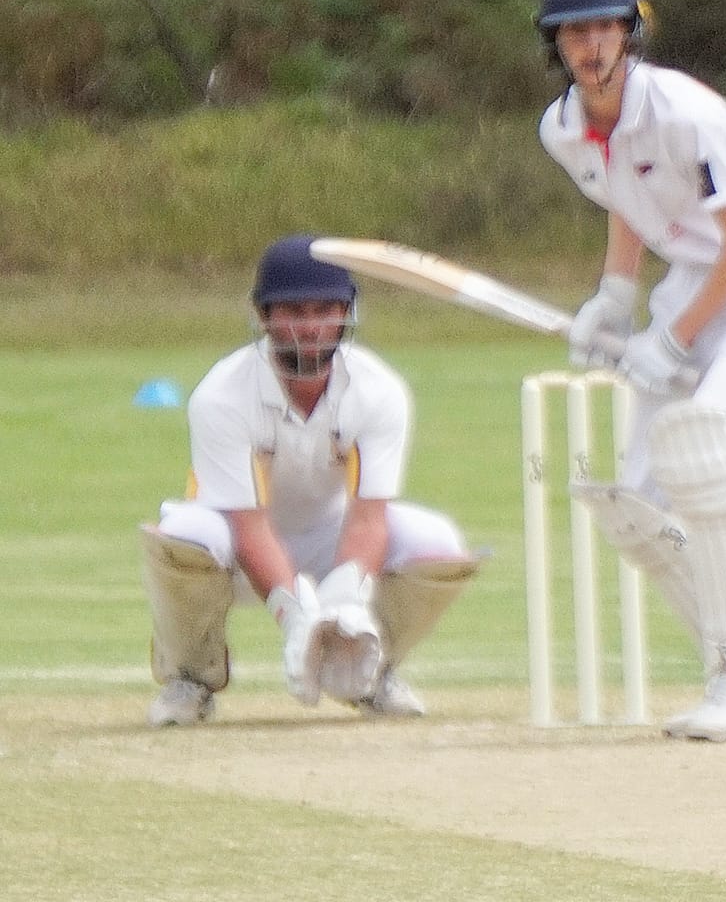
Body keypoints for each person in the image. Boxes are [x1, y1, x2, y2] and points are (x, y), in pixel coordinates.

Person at [535, 0, 726, 743]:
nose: (591, 46)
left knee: (706, 449)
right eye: (574, 33)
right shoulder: (562, 130)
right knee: (636, 509)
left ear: (629, 32)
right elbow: (626, 195)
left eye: (604, 29)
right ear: (554, 44)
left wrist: (671, 339)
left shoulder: (686, 114)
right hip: (691, 284)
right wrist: (616, 296)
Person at [140, 235, 482, 727]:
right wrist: (295, 616)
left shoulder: (378, 390)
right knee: (184, 538)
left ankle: (369, 672)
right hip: (231, 548)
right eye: (293, 312)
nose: (310, 327)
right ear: (264, 316)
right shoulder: (221, 395)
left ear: (346, 313)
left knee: (437, 543)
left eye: (325, 310)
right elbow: (249, 527)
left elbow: (369, 518)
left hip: (329, 537)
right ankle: (190, 678)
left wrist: (347, 603)